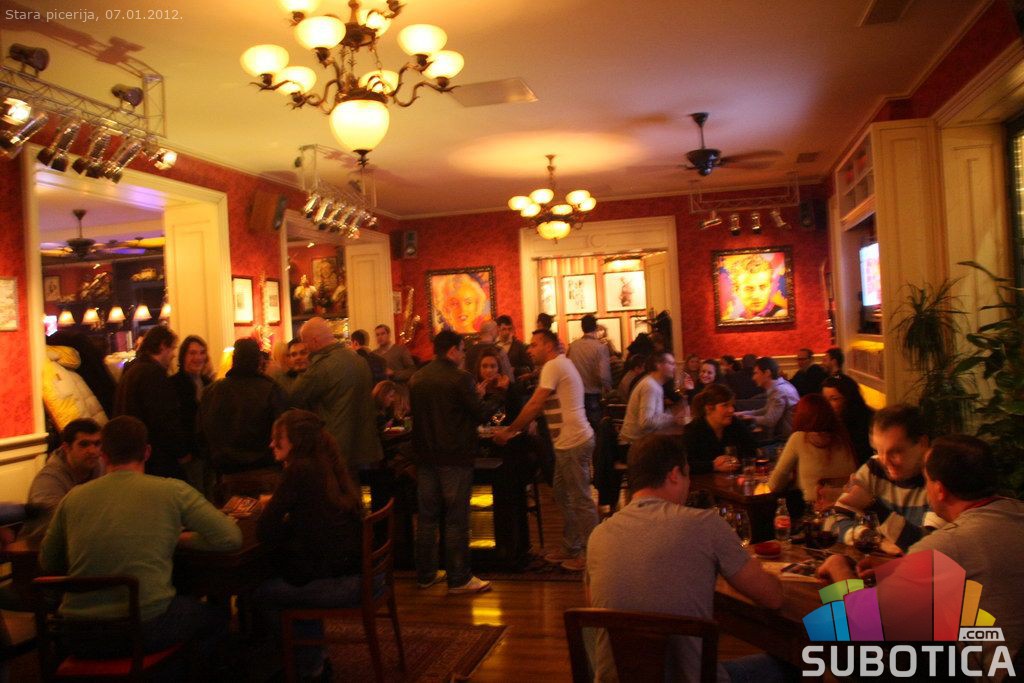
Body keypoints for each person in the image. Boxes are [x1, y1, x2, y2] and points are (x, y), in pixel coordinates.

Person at [816, 435, 1023, 682]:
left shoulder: (950, 543)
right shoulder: (1015, 511)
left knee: (845, 655)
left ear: (939, 490)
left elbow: (861, 622)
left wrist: (839, 568)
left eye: (926, 480)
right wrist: (904, 570)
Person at [39, 416, 242, 662]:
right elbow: (230, 538)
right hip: (142, 628)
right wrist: (178, 538)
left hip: (78, 634)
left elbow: (48, 562)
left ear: (104, 454)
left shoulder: (72, 498)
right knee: (216, 618)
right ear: (147, 452)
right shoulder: (172, 490)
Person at [586, 434, 787, 683]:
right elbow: (772, 598)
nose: (689, 484)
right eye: (687, 475)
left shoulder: (598, 536)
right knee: (792, 665)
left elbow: (598, 606)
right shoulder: (705, 524)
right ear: (674, 474)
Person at [254, 410, 364, 680]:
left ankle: (307, 666)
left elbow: (265, 530)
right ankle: (314, 657)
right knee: (291, 577)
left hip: (339, 583)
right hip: (357, 574)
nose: (271, 444)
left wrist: (281, 515)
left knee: (262, 592)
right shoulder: (325, 464)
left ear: (296, 441)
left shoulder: (300, 470)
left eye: (278, 438)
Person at [494, 329, 598, 572]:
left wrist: (510, 430)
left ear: (548, 346)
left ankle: (591, 555)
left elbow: (535, 403)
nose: (529, 350)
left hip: (573, 442)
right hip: (568, 442)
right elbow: (542, 405)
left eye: (534, 345)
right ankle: (572, 546)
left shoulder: (553, 365)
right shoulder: (559, 364)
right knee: (562, 494)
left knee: (580, 499)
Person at [408, 330, 491, 594]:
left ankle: (425, 575)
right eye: (463, 350)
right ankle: (459, 578)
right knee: (456, 518)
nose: (464, 355)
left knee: (427, 518)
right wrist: (492, 396)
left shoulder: (417, 378)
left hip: (424, 456)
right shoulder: (460, 378)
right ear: (453, 350)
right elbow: (479, 414)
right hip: (455, 456)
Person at [826, 404, 942, 553]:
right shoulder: (875, 467)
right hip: (878, 563)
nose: (885, 461)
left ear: (922, 444)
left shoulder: (938, 478)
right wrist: (874, 539)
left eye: (895, 452)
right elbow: (833, 522)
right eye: (878, 451)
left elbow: (928, 546)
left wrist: (872, 505)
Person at [291, 318, 383, 493]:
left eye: (305, 343)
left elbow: (295, 395)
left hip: (338, 446)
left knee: (341, 496)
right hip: (365, 444)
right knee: (364, 495)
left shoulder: (322, 366)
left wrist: (303, 367)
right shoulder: (358, 359)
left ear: (315, 341)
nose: (305, 348)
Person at [198, 338, 286, 477]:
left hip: (225, 471)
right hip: (264, 470)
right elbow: (281, 433)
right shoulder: (271, 390)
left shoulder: (212, 391)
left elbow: (201, 432)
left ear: (234, 359)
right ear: (259, 360)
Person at [113, 326, 189, 480]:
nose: (174, 354)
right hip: (155, 460)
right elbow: (164, 420)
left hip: (134, 456)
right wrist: (181, 451)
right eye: (172, 348)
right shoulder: (153, 375)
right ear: (162, 346)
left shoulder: (132, 370)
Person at [20, 418, 104, 542]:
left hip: (86, 540)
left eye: (97, 444)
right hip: (39, 546)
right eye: (84, 444)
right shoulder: (48, 480)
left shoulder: (102, 466)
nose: (93, 451)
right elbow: (56, 522)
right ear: (66, 448)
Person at [768, 394, 857, 505]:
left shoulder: (799, 438)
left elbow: (774, 485)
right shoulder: (842, 438)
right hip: (847, 505)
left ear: (801, 416)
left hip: (815, 509)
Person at [171, 335, 215, 496]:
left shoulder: (208, 382)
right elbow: (174, 421)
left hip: (208, 452)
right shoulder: (174, 384)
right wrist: (183, 451)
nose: (198, 358)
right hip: (189, 453)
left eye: (202, 352)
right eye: (192, 353)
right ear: (183, 356)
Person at [682, 384, 757, 474]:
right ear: (709, 408)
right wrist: (713, 466)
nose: (731, 410)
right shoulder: (693, 430)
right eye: (725, 405)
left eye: (732, 405)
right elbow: (684, 465)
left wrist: (737, 460)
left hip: (736, 478)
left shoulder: (735, 423)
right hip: (705, 481)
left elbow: (752, 450)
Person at [618, 352, 687, 445]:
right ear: (658, 365)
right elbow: (646, 422)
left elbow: (654, 417)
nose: (674, 367)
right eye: (671, 363)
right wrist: (673, 419)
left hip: (641, 441)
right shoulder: (650, 386)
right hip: (634, 444)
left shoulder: (654, 384)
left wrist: (672, 414)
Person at [735, 356, 800, 444]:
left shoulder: (779, 391)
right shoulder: (780, 386)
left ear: (767, 373)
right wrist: (743, 414)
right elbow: (766, 410)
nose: (753, 378)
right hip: (787, 437)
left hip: (786, 440)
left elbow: (770, 420)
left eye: (756, 373)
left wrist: (751, 418)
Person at [567, 314, 612, 434]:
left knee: (579, 430)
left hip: (575, 394)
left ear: (582, 328)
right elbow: (603, 375)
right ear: (595, 327)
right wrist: (609, 389)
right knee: (595, 430)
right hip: (593, 393)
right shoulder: (600, 347)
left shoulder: (573, 346)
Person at [821, 374, 875, 465]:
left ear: (848, 399)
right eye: (824, 399)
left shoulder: (866, 422)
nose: (827, 404)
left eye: (833, 399)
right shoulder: (826, 421)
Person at [495, 314, 533, 380]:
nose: (507, 332)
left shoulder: (519, 346)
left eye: (509, 329)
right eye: (504, 329)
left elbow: (529, 368)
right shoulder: (493, 345)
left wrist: (516, 370)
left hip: (516, 383)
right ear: (498, 328)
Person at [476, 350, 510, 421]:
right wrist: (478, 398)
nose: (489, 370)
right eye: (484, 366)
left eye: (493, 366)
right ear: (479, 369)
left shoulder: (508, 387)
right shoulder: (474, 388)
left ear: (498, 368)